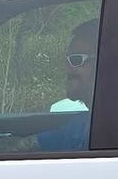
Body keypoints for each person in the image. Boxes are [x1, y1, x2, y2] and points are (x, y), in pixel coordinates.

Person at [33, 19, 98, 151]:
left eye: (76, 60)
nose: (67, 69)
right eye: (66, 60)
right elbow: (29, 146)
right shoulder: (78, 125)